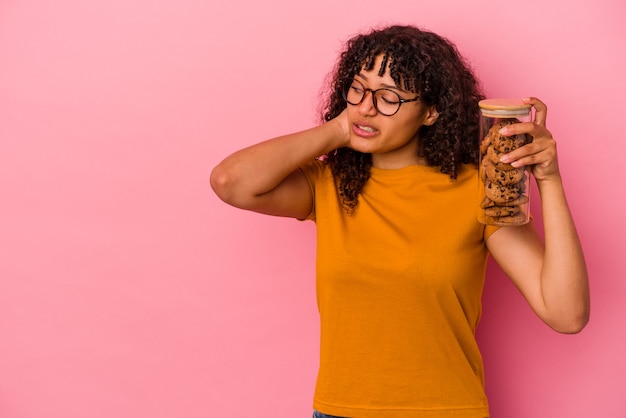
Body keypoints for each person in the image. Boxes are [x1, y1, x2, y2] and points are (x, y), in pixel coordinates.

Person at [210, 25, 589, 418]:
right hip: (340, 411)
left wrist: (549, 179)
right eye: (358, 89)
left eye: (388, 97)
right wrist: (340, 128)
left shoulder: (478, 189)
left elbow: (566, 313)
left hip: (445, 410)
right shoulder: (330, 185)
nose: (368, 107)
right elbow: (230, 182)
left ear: (431, 112)